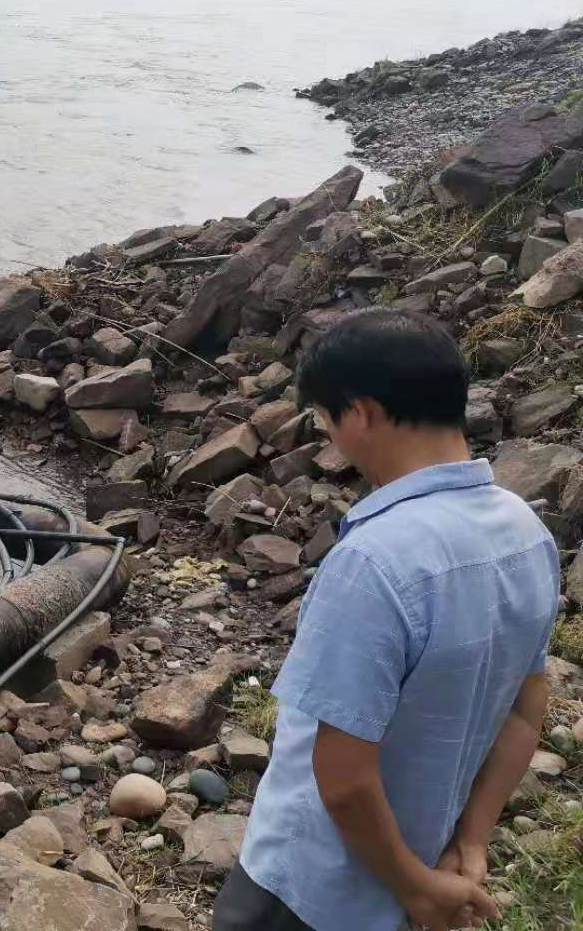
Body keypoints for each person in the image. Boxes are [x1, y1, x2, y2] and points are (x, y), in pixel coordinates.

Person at [216, 309, 560, 931]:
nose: (330, 438)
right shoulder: (526, 533)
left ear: (362, 413)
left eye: (326, 420)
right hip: (420, 861)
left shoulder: (374, 560)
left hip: (312, 887)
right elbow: (524, 712)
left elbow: (344, 778)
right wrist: (471, 841)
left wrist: (416, 888)